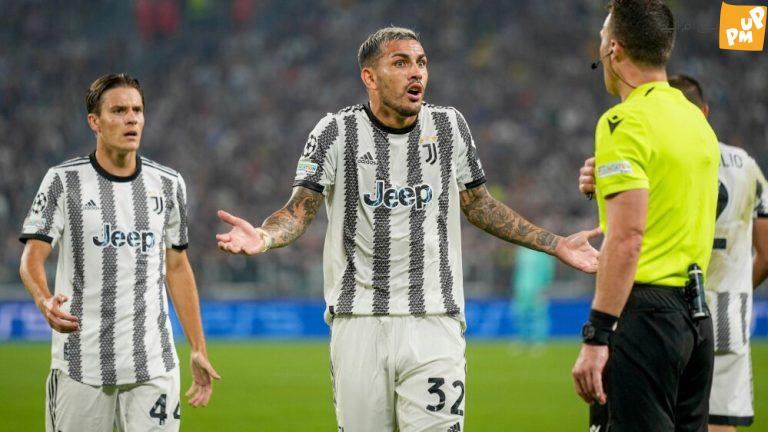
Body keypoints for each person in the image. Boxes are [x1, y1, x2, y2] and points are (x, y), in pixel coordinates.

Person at [216, 26, 600, 431]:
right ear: (369, 77)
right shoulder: (335, 132)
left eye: (421, 63)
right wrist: (264, 236)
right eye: (400, 63)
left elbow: (480, 204)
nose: (416, 72)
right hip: (358, 322)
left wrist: (555, 243)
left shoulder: (449, 126)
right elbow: (299, 210)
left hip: (434, 319)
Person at [19, 73, 219, 432]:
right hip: (81, 365)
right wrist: (43, 298)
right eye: (119, 111)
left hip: (153, 366)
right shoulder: (63, 181)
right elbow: (32, 256)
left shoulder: (169, 184)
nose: (131, 119)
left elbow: (177, 266)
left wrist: (198, 347)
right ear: (94, 122)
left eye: (137, 111)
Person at [578, 74, 768, 431]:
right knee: (717, 422)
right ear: (703, 110)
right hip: (720, 312)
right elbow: (766, 250)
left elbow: (633, 225)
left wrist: (604, 182)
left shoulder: (653, 147)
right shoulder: (744, 164)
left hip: (659, 305)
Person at [570, 2, 721, 431]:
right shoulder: (695, 119)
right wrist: (605, 184)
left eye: (602, 38)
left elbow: (627, 237)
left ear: (614, 49)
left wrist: (598, 335)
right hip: (695, 320)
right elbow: (675, 199)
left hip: (645, 317)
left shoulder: (623, 121)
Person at [511, 247, 555, 352]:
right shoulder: (522, 251)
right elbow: (518, 270)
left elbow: (548, 271)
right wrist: (516, 286)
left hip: (538, 289)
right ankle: (523, 339)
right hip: (522, 288)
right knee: (521, 315)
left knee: (538, 316)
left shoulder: (543, 251)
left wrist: (544, 287)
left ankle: (539, 340)